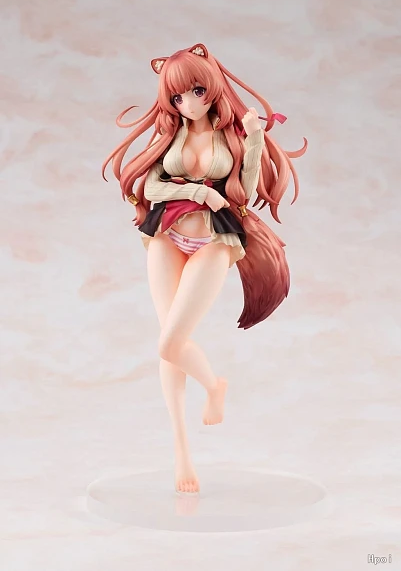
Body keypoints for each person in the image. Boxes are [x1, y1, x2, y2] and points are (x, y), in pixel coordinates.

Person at [102, 43, 307, 494]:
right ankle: (182, 451)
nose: (189, 104)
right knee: (168, 344)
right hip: (165, 236)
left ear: (211, 87)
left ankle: (214, 386)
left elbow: (243, 191)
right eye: (177, 97)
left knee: (171, 341)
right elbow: (152, 187)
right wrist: (199, 193)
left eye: (196, 91)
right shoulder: (171, 135)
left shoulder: (229, 135)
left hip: (214, 241)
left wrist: (254, 139)